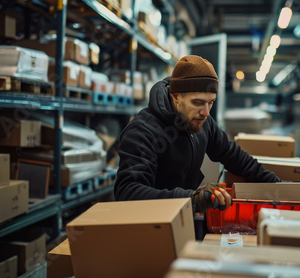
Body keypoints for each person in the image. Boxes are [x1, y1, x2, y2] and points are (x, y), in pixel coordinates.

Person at [114, 55, 281, 213]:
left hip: (184, 215)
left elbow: (231, 154)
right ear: (176, 96)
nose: (206, 112)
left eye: (211, 102)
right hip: (152, 227)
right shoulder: (143, 131)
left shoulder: (201, 121)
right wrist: (192, 200)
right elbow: (128, 192)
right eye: (198, 102)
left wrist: (277, 186)